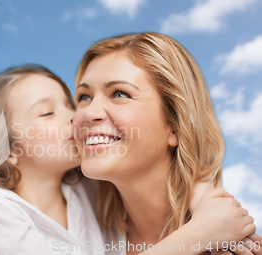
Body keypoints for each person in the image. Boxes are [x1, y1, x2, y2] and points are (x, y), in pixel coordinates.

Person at [0, 64, 256, 255]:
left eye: (71, 104)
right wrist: (200, 233)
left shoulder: (85, 188)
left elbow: (171, 167)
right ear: (6, 150)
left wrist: (207, 204)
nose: (78, 116)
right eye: (48, 113)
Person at [72, 32, 260, 255]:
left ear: (176, 125)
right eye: (84, 97)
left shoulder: (232, 246)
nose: (89, 112)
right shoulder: (79, 227)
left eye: (120, 93)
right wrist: (198, 232)